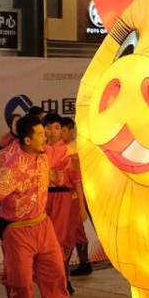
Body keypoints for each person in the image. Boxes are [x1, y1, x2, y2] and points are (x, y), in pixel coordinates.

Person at [0, 109, 77, 298]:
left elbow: (73, 147)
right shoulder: (12, 164)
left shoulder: (45, 156)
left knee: (55, 271)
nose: (46, 137)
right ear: (26, 139)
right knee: (21, 280)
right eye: (41, 134)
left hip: (42, 224)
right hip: (17, 230)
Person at [41, 112, 77, 292]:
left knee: (61, 240)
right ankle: (55, 281)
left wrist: (82, 208)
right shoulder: (40, 150)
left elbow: (76, 178)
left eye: (56, 128)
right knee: (46, 243)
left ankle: (62, 279)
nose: (53, 132)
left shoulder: (69, 149)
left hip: (64, 197)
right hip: (44, 198)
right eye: (48, 128)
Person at [60, 117, 93, 277]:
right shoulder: (60, 148)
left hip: (75, 192)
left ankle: (83, 263)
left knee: (75, 230)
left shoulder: (76, 148)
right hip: (66, 195)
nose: (60, 133)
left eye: (63, 130)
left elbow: (79, 175)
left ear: (71, 130)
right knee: (75, 230)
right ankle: (83, 263)